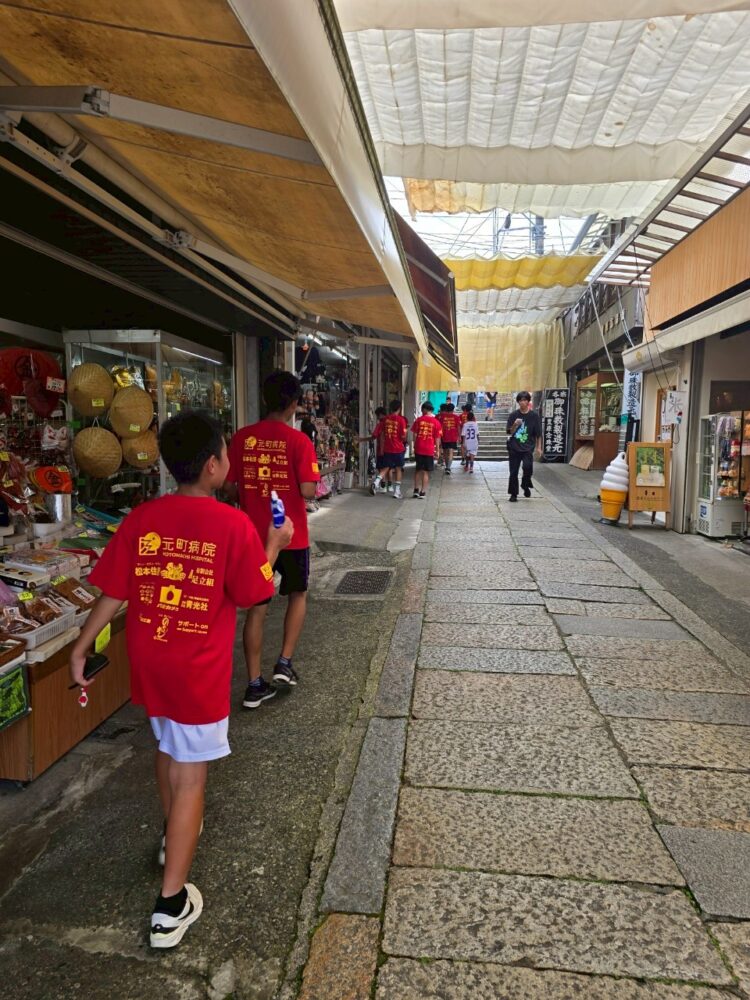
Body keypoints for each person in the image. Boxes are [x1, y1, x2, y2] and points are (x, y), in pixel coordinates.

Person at [69, 413, 293, 948]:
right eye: (225, 453)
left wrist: (82, 646)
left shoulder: (142, 517)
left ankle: (174, 836)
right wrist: (275, 545)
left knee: (167, 746)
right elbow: (257, 592)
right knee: (191, 776)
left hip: (151, 659)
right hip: (197, 669)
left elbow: (114, 590)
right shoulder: (233, 524)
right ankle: (170, 907)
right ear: (213, 465)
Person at [225, 370, 321, 706]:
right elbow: (309, 490)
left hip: (254, 538)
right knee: (297, 594)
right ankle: (284, 662)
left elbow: (228, 488)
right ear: (294, 404)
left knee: (257, 607)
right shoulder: (299, 441)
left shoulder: (241, 438)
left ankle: (254, 683)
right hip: (291, 535)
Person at [507, 390, 542, 502]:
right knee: (513, 472)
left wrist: (539, 448)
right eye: (520, 400)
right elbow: (509, 432)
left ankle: (525, 484)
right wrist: (514, 425)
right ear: (518, 402)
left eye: (525, 400)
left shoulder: (534, 416)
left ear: (528, 401)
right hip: (514, 447)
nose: (522, 402)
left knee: (527, 468)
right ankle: (513, 494)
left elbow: (538, 434)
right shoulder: (513, 415)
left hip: (528, 447)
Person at [369, 400, 408, 499]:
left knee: (385, 468)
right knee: (398, 469)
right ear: (399, 408)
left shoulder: (385, 420)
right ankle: (397, 492)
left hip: (387, 448)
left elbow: (381, 433)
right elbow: (403, 436)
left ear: (390, 408)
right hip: (398, 449)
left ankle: (376, 482)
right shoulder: (401, 420)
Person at [411, 401, 442, 498]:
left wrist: (414, 445)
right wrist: (437, 451)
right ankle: (423, 492)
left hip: (419, 447)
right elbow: (437, 438)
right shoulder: (436, 422)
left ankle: (416, 490)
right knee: (426, 471)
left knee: (418, 469)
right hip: (429, 449)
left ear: (424, 409)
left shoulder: (418, 420)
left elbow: (414, 434)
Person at [359, 406, 388, 493]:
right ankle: (384, 485)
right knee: (385, 467)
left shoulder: (380, 424)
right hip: (390, 449)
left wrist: (362, 439)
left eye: (377, 416)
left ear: (381, 414)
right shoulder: (390, 422)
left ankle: (379, 484)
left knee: (381, 467)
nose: (377, 418)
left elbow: (374, 436)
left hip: (382, 449)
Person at [440, 403, 461, 475]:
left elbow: (440, 428)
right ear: (453, 409)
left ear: (446, 409)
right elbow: (458, 427)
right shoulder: (456, 417)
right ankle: (448, 467)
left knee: (445, 452)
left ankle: (447, 467)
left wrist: (440, 436)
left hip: (444, 437)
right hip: (453, 437)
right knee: (451, 452)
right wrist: (459, 436)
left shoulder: (442, 417)